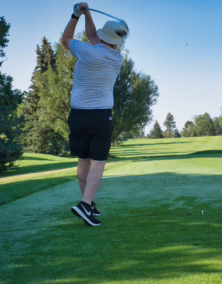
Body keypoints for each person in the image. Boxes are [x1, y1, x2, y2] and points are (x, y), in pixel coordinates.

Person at [61, 3, 126, 226]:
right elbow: (94, 37)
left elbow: (66, 39)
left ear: (102, 36)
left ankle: (88, 202)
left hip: (78, 116)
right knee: (97, 164)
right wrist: (86, 13)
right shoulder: (117, 59)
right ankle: (86, 205)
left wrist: (76, 15)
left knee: (83, 160)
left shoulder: (86, 51)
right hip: (101, 117)